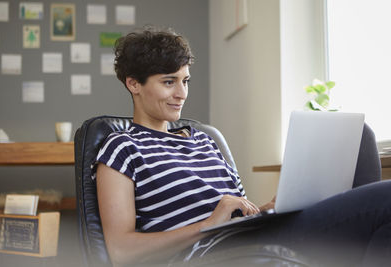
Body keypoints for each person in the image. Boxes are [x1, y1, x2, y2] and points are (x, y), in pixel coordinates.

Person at [93, 26, 391, 267]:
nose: (181, 93)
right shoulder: (121, 147)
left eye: (186, 81)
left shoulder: (204, 140)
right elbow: (122, 251)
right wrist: (208, 224)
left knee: (360, 138)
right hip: (209, 253)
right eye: (169, 82)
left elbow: (238, 215)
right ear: (134, 84)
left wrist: (267, 209)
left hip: (249, 236)